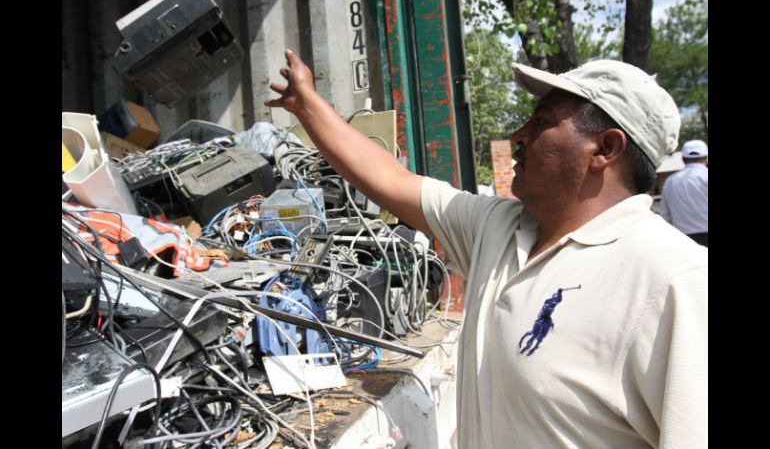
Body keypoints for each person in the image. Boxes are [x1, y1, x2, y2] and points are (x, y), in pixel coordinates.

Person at [265, 50, 707, 448]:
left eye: (542, 121)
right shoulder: (497, 228)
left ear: (605, 148)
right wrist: (308, 105)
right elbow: (391, 180)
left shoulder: (672, 279)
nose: (518, 135)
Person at [659, 139, 708, 246]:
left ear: (683, 159)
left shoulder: (670, 181)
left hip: (684, 240)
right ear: (706, 158)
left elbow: (665, 216)